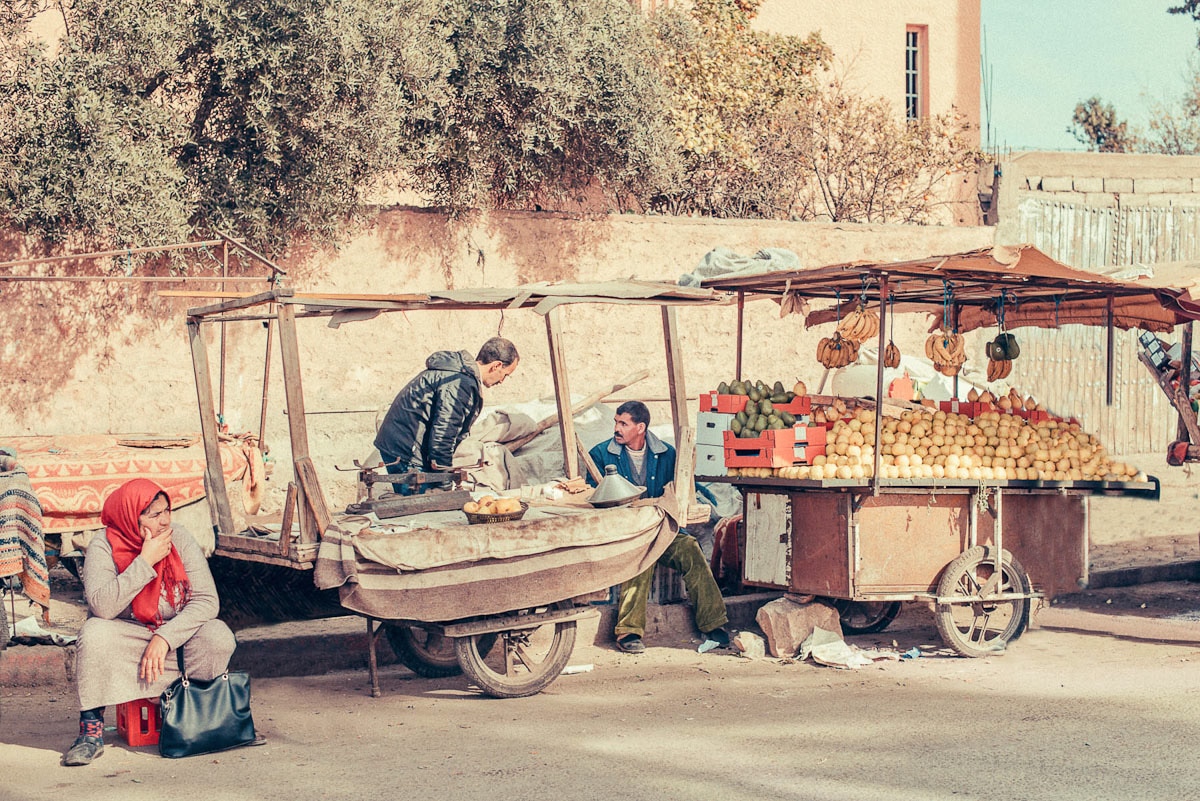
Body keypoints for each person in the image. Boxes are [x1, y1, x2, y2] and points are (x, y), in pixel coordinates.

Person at [62, 479, 238, 766]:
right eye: (155, 515)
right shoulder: (103, 545)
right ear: (133, 517)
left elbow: (207, 600)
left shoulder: (179, 537)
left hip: (172, 639)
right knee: (95, 633)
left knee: (218, 636)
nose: (165, 521)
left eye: (167, 511)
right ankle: (90, 732)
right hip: (129, 639)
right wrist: (145, 561)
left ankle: (187, 708)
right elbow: (102, 607)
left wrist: (165, 637)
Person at [587, 401, 730, 654]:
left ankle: (714, 624)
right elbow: (593, 497)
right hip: (628, 533)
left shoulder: (667, 453)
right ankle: (628, 631)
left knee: (692, 550)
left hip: (662, 529)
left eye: (623, 423)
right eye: (616, 422)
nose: (616, 428)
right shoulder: (599, 454)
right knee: (641, 556)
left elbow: (680, 490)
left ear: (640, 427)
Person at [374, 337, 520, 494]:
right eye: (505, 374)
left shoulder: (457, 375)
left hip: (401, 444)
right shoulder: (459, 382)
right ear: (496, 365)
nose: (502, 381)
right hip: (406, 451)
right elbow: (443, 434)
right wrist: (443, 484)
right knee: (421, 508)